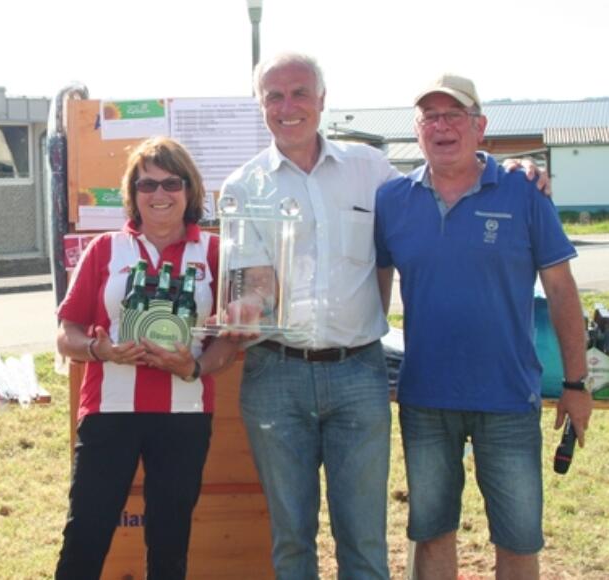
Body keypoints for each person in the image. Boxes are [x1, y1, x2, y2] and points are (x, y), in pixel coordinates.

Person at [221, 53, 549, 579]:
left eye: (300, 92)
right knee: (291, 539)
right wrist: (248, 306)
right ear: (260, 106)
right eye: (274, 96)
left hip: (357, 375)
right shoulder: (243, 186)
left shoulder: (370, 170)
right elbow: (258, 280)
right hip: (274, 376)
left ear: (323, 100)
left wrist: (513, 170)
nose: (289, 106)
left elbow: (444, 175)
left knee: (365, 540)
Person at [374, 74, 591, 580]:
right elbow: (376, 293)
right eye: (431, 117)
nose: (442, 127)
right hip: (426, 398)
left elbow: (562, 290)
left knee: (517, 540)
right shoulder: (392, 201)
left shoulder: (522, 190)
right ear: (417, 129)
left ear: (480, 126)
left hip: (508, 397)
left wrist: (577, 384)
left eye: (454, 116)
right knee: (430, 534)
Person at [54, 136, 239, 579]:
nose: (159, 195)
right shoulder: (104, 249)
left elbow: (231, 338)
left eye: (171, 184)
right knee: (87, 533)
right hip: (109, 410)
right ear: (132, 195)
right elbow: (67, 334)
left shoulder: (215, 253)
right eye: (146, 185)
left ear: (189, 190)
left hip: (185, 412)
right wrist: (99, 349)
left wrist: (194, 366)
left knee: (170, 539)